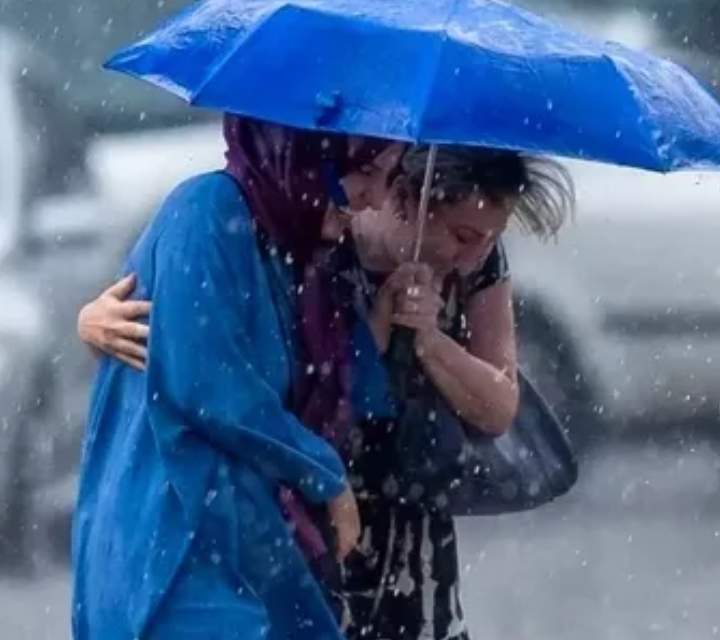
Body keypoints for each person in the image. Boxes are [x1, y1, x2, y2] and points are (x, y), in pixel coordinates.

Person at [77, 144, 573, 640]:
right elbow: (209, 354)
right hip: (313, 498)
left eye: (491, 239)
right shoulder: (320, 225)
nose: (472, 257)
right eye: (463, 235)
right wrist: (91, 323)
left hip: (406, 500)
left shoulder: (476, 265)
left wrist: (429, 341)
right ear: (408, 198)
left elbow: (498, 406)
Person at [72, 114, 404, 640]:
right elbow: (209, 386)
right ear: (306, 156)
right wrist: (323, 473)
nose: (375, 199)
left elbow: (352, 391)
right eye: (366, 172)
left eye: (389, 178)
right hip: (173, 557)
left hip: (245, 552)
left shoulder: (298, 252)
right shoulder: (205, 212)